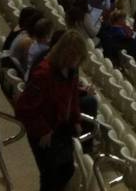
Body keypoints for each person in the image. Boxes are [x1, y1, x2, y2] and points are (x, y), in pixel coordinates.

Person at [14, 31, 91, 191]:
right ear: (67, 54)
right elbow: (23, 108)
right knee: (50, 175)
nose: (78, 62)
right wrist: (44, 130)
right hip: (44, 132)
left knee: (67, 169)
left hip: (61, 127)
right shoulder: (43, 73)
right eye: (76, 57)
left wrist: (76, 119)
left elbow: (73, 96)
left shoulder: (71, 70)